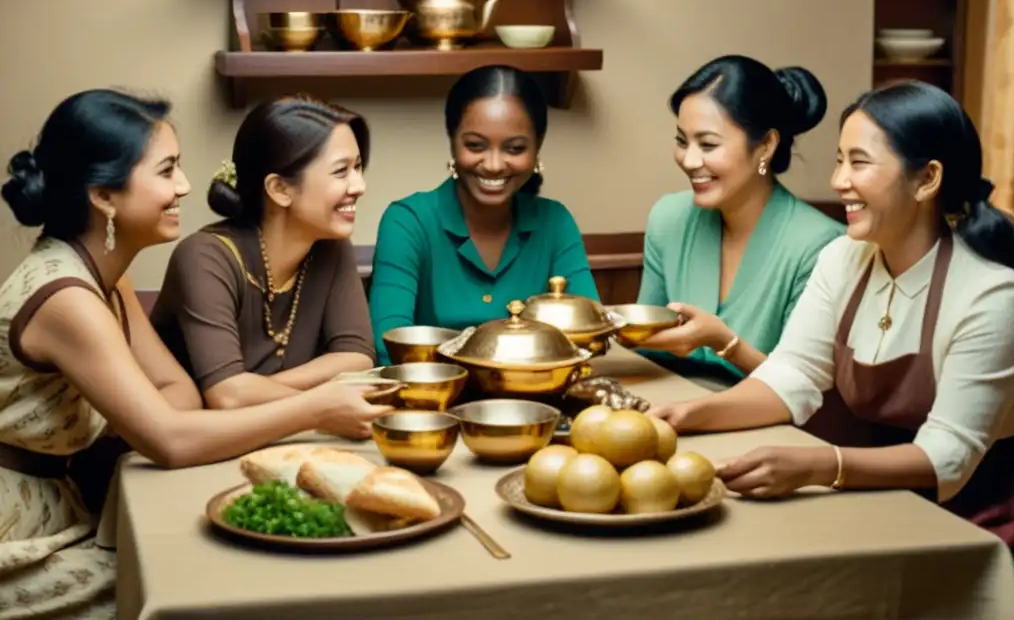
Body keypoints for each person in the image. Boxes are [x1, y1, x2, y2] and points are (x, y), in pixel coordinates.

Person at [0, 90, 391, 617]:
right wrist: (316, 409)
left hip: (62, 504)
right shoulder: (69, 299)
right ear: (104, 196)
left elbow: (178, 398)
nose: (185, 186)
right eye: (166, 171)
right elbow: (172, 439)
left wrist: (167, 423)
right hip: (16, 532)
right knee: (193, 589)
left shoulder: (103, 281)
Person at [650, 81, 1014, 566]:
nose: (838, 180)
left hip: (973, 520)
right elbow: (792, 376)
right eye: (839, 159)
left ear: (927, 179)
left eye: (859, 162)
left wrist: (824, 465)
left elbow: (947, 455)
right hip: (876, 497)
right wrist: (683, 417)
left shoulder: (992, 296)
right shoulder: (843, 258)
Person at [151, 95, 377, 409]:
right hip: (201, 445)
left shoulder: (330, 245)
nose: (359, 185)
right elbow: (227, 396)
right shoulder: (205, 258)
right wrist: (320, 400)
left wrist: (253, 390)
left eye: (358, 167)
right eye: (341, 171)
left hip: (287, 435)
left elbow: (356, 357)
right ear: (279, 189)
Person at [369, 65, 599, 365]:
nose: (493, 164)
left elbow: (589, 334)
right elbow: (390, 346)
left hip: (538, 401)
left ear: (537, 147)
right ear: (452, 141)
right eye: (475, 146)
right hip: (432, 401)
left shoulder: (555, 222)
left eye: (514, 148)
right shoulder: (408, 222)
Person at [637, 55, 844, 383]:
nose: (689, 160)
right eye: (681, 141)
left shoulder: (820, 245)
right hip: (664, 411)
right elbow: (644, 349)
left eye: (707, 144)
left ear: (765, 145)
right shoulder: (669, 218)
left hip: (766, 425)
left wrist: (724, 342)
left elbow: (803, 389)